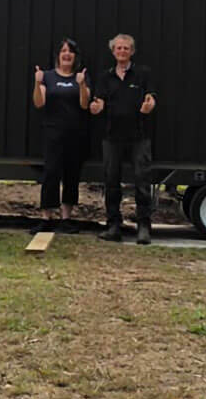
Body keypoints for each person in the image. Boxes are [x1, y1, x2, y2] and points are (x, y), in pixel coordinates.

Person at [88, 32, 157, 244]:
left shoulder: (143, 74)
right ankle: (113, 226)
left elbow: (151, 97)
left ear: (132, 51)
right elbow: (98, 102)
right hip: (112, 137)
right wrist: (96, 107)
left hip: (139, 136)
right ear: (113, 51)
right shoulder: (105, 77)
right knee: (111, 182)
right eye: (118, 48)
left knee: (142, 181)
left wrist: (149, 105)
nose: (122, 51)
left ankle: (143, 227)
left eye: (126, 48)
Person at [32, 37, 90, 228]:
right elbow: (39, 103)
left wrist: (82, 84)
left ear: (75, 56)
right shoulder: (47, 77)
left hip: (76, 133)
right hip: (53, 132)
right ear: (58, 55)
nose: (67, 54)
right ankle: (46, 217)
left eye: (70, 51)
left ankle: (66, 218)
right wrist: (37, 83)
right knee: (51, 172)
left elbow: (84, 104)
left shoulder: (81, 77)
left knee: (72, 174)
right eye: (63, 51)